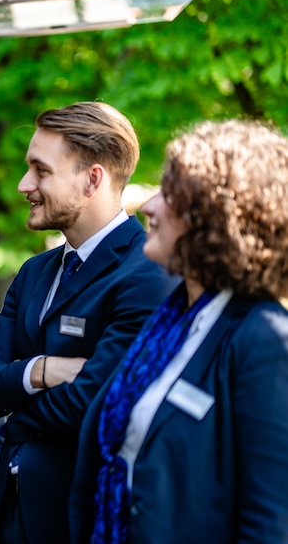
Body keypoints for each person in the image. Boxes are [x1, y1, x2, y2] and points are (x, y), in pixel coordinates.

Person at [0, 101, 176, 544]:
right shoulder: (34, 272)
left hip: (81, 520)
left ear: (92, 179)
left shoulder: (145, 273)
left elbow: (93, 404)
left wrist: (15, 413)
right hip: (11, 517)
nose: (25, 185)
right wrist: (41, 370)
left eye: (41, 170)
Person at [70, 120, 288, 544]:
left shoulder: (264, 339)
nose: (149, 206)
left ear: (217, 216)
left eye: (170, 195)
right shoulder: (170, 321)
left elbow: (271, 522)